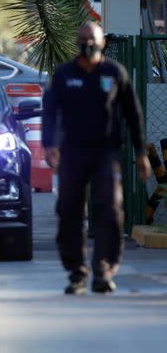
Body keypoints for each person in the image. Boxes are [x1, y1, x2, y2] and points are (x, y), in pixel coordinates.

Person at [42, 22, 151, 295]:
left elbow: (133, 114)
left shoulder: (114, 73)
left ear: (102, 43)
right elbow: (49, 111)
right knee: (69, 211)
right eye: (83, 39)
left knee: (109, 210)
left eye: (93, 39)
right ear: (77, 42)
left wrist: (141, 153)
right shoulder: (64, 74)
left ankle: (103, 270)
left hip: (105, 153)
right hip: (72, 153)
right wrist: (49, 145)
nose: (87, 44)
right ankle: (76, 273)